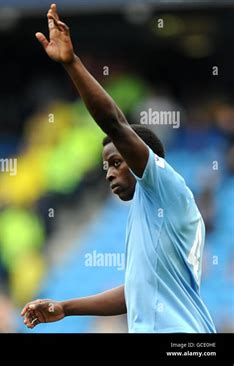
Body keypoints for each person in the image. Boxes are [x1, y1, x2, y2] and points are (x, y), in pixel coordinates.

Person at [21, 4, 216, 333]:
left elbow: (114, 123)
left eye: (116, 162)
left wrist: (71, 63)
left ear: (143, 158)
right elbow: (138, 291)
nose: (109, 172)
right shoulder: (153, 213)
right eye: (105, 166)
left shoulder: (165, 186)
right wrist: (65, 308)